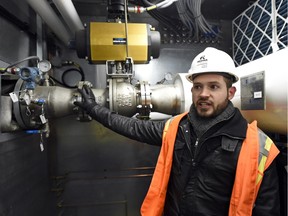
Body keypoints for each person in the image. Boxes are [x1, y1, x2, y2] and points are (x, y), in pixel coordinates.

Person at [74, 47, 280, 216]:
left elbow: (267, 210)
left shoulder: (258, 148)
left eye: (214, 87)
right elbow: (132, 127)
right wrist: (94, 109)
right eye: (198, 87)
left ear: (230, 92)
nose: (204, 94)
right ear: (192, 91)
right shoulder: (176, 128)